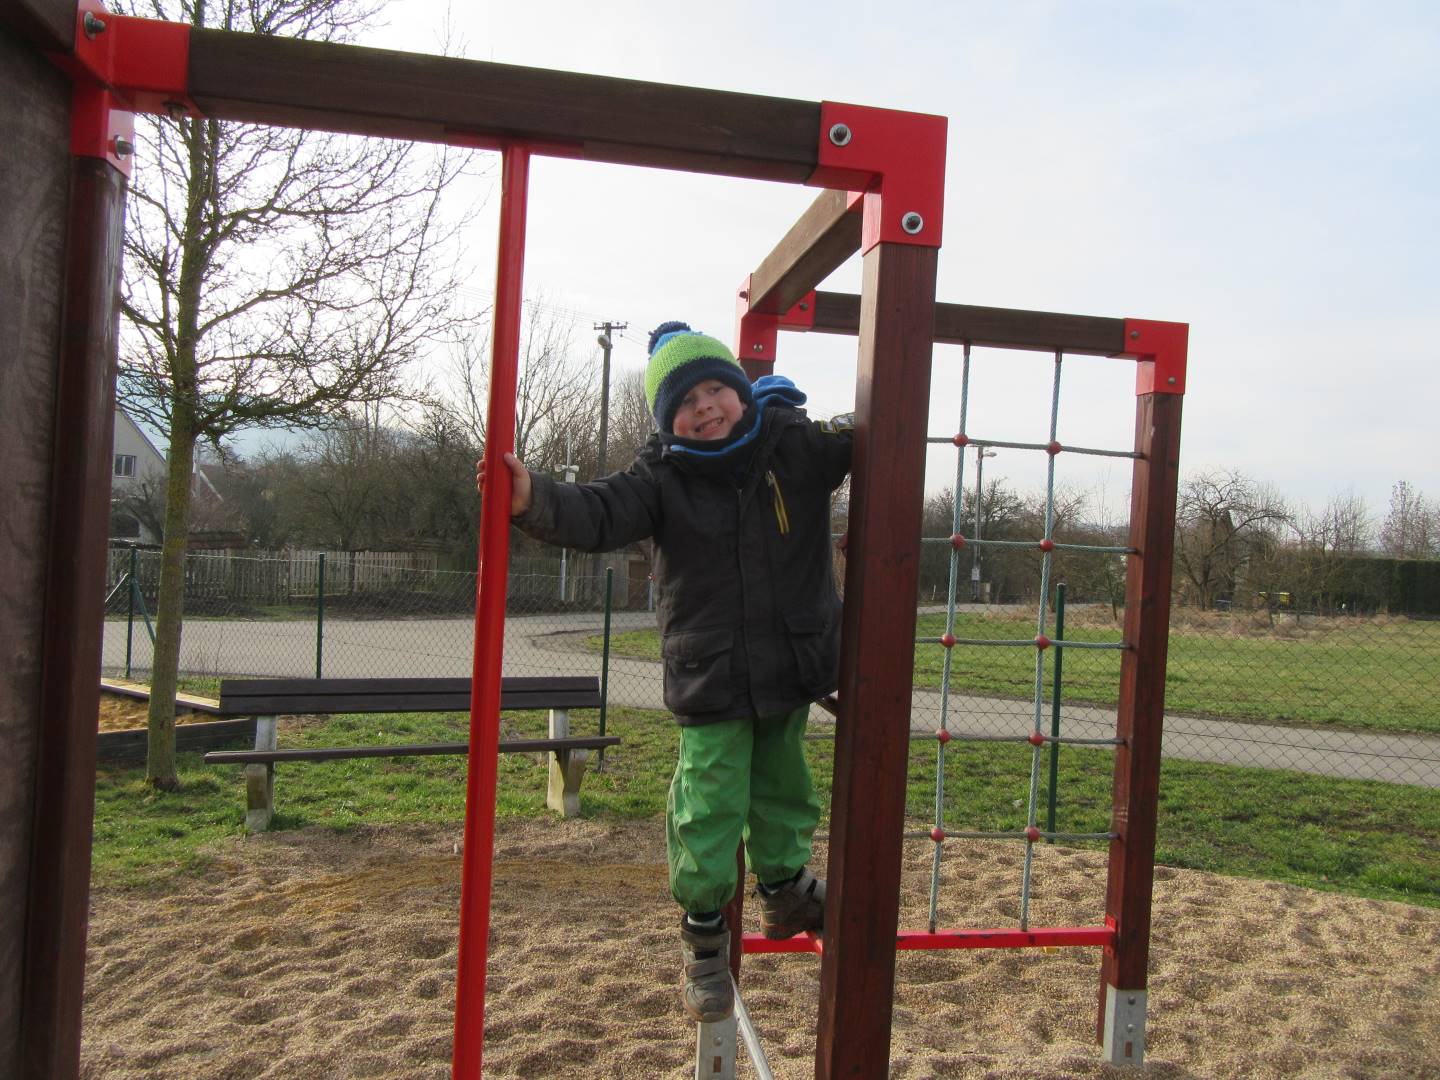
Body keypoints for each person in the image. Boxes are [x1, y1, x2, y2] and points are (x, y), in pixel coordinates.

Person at [477, 321, 852, 1022]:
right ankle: (704, 933)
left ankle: (783, 888)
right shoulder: (661, 478)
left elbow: (860, 442)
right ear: (666, 420)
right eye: (685, 401)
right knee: (707, 803)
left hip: (789, 661)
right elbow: (599, 510)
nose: (705, 407)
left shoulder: (789, 445)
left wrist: (868, 422)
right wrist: (536, 500)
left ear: (741, 391)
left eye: (715, 389)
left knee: (785, 784)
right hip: (712, 673)